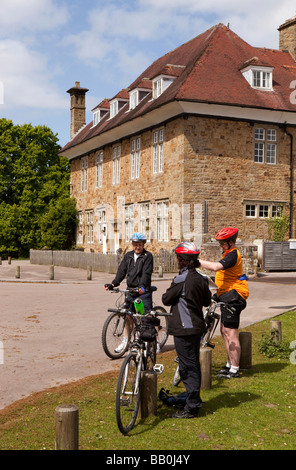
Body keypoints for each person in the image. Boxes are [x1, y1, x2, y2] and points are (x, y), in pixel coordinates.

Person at [162, 242, 212, 419]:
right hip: (197, 327)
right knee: (193, 364)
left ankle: (192, 408)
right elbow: (207, 301)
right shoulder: (201, 278)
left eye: (177, 258)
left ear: (181, 260)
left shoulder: (181, 279)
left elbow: (166, 299)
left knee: (187, 367)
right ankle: (193, 399)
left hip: (184, 328)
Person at [199, 227, 249, 379]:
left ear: (231, 242)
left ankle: (234, 369)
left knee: (231, 333)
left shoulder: (233, 254)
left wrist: (196, 261)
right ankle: (229, 364)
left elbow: (216, 267)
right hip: (226, 295)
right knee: (224, 331)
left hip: (234, 296)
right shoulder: (228, 253)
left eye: (222, 243)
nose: (220, 245)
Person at [104, 232, 153, 353]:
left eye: (140, 245)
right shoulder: (129, 256)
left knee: (145, 317)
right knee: (128, 317)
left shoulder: (148, 256)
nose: (137, 247)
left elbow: (146, 273)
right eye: (135, 244)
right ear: (132, 244)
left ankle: (152, 341)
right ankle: (125, 341)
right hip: (131, 290)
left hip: (142, 291)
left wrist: (142, 286)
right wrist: (114, 283)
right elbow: (122, 271)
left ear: (143, 245)